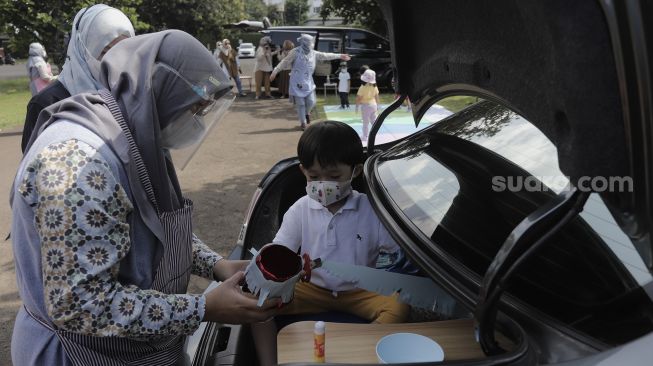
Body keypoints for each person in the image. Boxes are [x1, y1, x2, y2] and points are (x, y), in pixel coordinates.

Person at [11, 30, 279, 365]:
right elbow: (82, 303)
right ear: (159, 92)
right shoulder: (78, 163)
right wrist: (204, 307)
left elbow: (152, 226)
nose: (195, 121)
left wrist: (218, 265)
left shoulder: (137, 133)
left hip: (138, 347)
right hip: (78, 354)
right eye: (194, 107)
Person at [251, 121, 410, 366]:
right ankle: (269, 362)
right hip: (310, 289)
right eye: (314, 176)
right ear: (303, 170)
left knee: (399, 307)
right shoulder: (300, 209)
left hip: (360, 291)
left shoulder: (371, 210)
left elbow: (399, 252)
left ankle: (359, 351)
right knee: (255, 305)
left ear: (355, 171)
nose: (323, 184)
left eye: (334, 177)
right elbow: (279, 251)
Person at [21, 4, 135, 153]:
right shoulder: (46, 103)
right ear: (81, 49)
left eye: (122, 51)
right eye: (104, 51)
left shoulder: (131, 95)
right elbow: (34, 166)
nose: (113, 62)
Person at [271, 34, 350, 130]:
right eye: (310, 42)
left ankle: (306, 113)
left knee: (311, 101)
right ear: (304, 42)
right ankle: (303, 122)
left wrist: (340, 56)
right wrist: (275, 71)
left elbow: (325, 55)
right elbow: (285, 62)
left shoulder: (313, 53)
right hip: (297, 82)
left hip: (308, 81)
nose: (311, 44)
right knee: (300, 104)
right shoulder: (295, 52)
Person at [356, 69, 380, 141]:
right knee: (374, 121)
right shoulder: (374, 87)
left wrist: (357, 106)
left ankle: (365, 136)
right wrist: (378, 105)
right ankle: (375, 134)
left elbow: (359, 98)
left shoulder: (362, 87)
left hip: (365, 106)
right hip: (374, 105)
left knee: (365, 122)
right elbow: (377, 96)